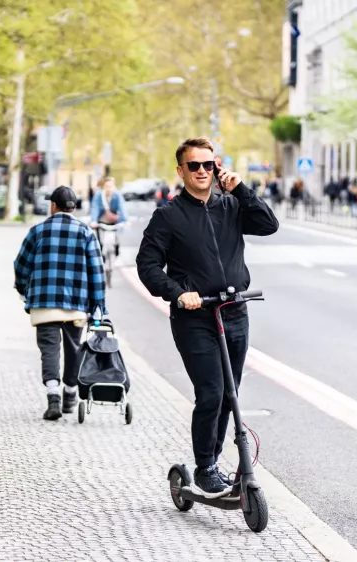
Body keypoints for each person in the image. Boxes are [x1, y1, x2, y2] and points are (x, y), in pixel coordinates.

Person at [135, 137, 278, 495]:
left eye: (208, 164)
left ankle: (213, 461)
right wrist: (178, 293)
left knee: (231, 393)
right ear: (181, 170)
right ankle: (205, 466)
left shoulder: (230, 205)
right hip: (194, 318)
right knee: (211, 391)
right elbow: (148, 266)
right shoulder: (168, 215)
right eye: (194, 166)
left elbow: (268, 225)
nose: (203, 171)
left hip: (233, 310)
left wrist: (241, 189)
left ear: (217, 166)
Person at [14, 186, 107, 421]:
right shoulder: (86, 232)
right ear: (73, 207)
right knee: (74, 348)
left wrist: (24, 290)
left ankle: (53, 396)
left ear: (53, 206)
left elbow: (21, 265)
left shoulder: (38, 231)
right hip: (76, 303)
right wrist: (98, 306)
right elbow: (97, 271)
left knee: (49, 349)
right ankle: (70, 393)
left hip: (44, 302)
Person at [89, 176, 129, 257]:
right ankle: (100, 255)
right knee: (100, 240)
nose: (109, 188)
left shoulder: (117, 195)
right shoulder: (99, 195)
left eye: (111, 186)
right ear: (103, 186)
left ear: (114, 186)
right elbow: (95, 208)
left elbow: (122, 207)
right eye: (107, 186)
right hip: (101, 219)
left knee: (115, 237)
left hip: (113, 220)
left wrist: (125, 220)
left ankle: (116, 247)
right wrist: (93, 221)